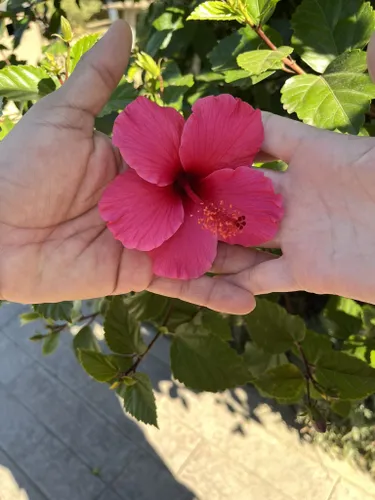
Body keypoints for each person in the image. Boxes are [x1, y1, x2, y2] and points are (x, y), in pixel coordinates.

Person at [0, 20, 374, 315]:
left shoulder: (218, 203)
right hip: (170, 189)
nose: (221, 220)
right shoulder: (168, 196)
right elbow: (155, 226)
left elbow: (234, 130)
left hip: (199, 175)